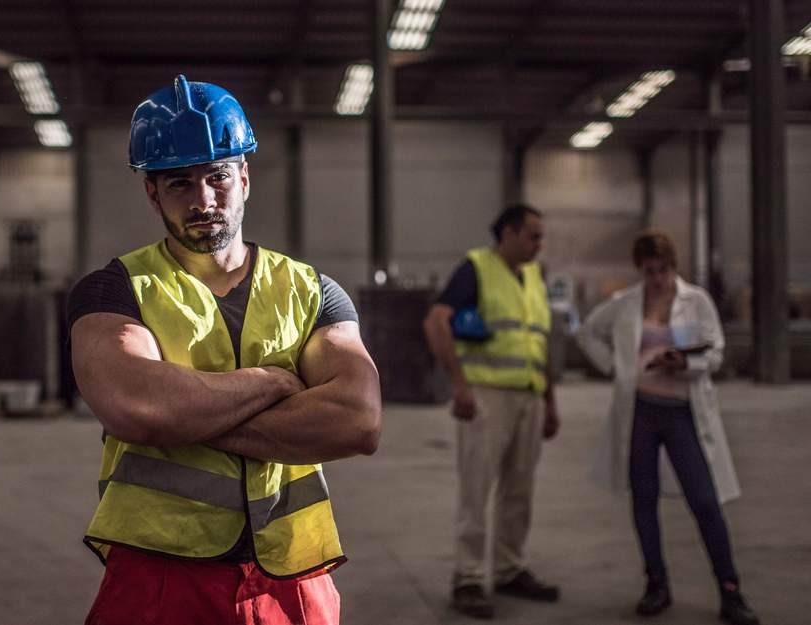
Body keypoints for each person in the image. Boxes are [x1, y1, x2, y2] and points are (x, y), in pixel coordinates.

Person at [67, 75, 382, 625]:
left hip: (291, 571)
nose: (204, 200)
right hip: (160, 570)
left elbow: (358, 421)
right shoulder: (115, 289)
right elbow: (136, 407)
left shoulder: (312, 290)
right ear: (152, 192)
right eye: (179, 184)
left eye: (217, 178)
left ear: (244, 176)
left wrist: (180, 415)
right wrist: (276, 383)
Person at [576, 230, 760, 625]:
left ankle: (731, 591)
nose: (658, 278)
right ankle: (656, 583)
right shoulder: (626, 303)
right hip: (641, 412)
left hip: (682, 412)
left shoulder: (696, 301)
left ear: (674, 266)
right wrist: (616, 367)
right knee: (643, 500)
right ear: (640, 270)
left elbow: (716, 350)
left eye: (663, 270)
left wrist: (685, 363)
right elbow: (588, 331)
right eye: (650, 271)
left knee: (705, 502)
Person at [423, 204, 561, 620]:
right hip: (487, 396)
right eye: (534, 236)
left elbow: (540, 344)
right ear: (509, 233)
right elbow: (436, 322)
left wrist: (550, 402)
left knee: (520, 490)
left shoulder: (535, 276)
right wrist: (460, 385)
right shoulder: (476, 268)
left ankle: (508, 568)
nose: (540, 244)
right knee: (477, 489)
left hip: (530, 397)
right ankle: (467, 578)